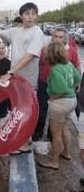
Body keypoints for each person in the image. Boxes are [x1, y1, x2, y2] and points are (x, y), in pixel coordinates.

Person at [0, 2, 45, 154]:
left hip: (27, 81)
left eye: (33, 13)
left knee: (27, 113)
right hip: (15, 80)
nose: (30, 17)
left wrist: (11, 71)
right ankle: (15, 142)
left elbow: (29, 56)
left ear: (36, 16)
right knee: (15, 111)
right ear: (21, 16)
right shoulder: (15, 31)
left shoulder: (37, 32)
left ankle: (25, 144)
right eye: (27, 14)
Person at [37, 42, 80, 170]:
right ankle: (66, 153)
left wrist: (51, 98)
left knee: (55, 134)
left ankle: (54, 162)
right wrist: (71, 91)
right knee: (65, 129)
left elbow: (61, 90)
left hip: (60, 104)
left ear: (51, 53)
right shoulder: (69, 64)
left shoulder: (55, 69)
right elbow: (78, 79)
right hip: (71, 101)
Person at [33, 28, 81, 141]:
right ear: (52, 37)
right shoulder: (44, 49)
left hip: (61, 87)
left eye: (60, 37)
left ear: (65, 39)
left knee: (56, 112)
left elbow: (77, 66)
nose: (57, 39)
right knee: (41, 109)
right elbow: (37, 66)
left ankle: (52, 134)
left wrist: (76, 84)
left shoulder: (72, 51)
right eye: (55, 36)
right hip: (44, 83)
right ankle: (38, 132)